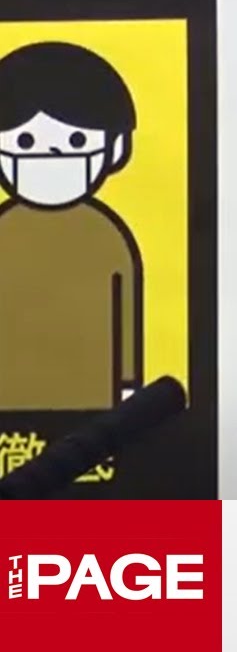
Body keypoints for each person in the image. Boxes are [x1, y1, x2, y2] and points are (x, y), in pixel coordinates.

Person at [0, 41, 142, 411]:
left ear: (115, 148)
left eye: (76, 140)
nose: (50, 154)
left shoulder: (107, 236)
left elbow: (126, 313)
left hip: (94, 407)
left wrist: (129, 387)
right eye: (24, 141)